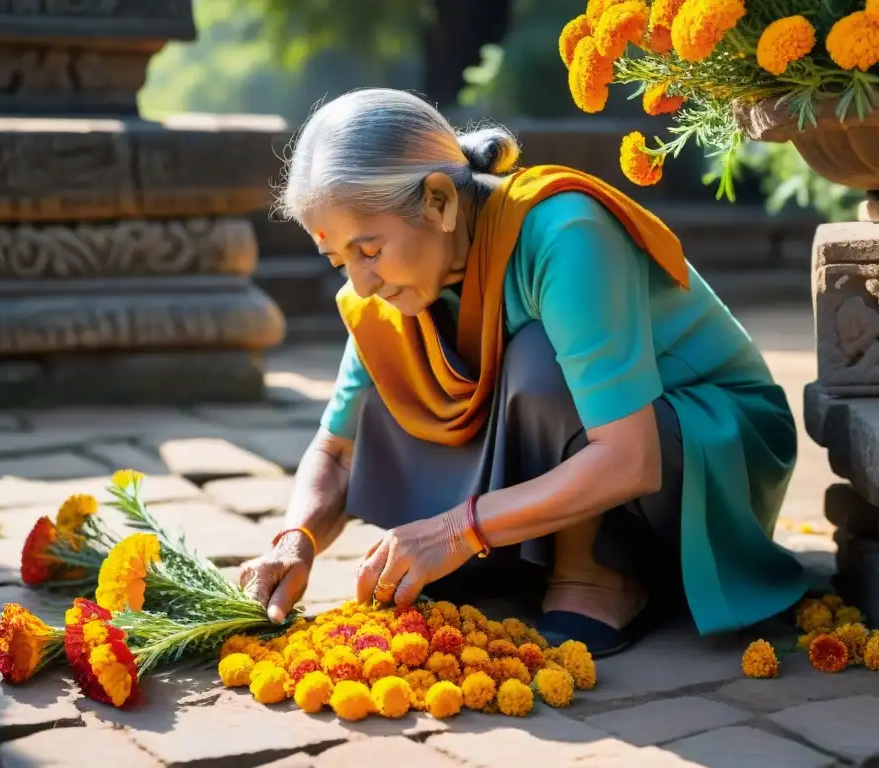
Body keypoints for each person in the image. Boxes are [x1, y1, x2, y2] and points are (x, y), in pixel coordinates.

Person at [239, 87, 811, 657]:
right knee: (396, 376)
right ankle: (514, 559)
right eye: (339, 261)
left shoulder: (562, 231)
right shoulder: (389, 294)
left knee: (540, 361)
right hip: (590, 450)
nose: (359, 282)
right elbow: (338, 450)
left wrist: (456, 530)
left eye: (369, 250)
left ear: (438, 201)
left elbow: (630, 455)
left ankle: (599, 574)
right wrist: (296, 540)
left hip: (706, 449)